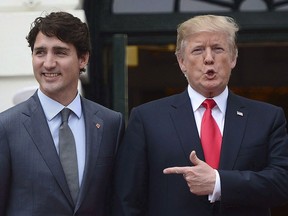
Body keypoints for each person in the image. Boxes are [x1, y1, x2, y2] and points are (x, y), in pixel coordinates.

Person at [112, 14, 288, 216]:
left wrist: (218, 182)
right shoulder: (147, 119)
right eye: (198, 50)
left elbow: (282, 182)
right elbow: (127, 200)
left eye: (218, 48)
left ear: (233, 57)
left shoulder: (267, 118)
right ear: (181, 61)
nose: (209, 58)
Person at [0, 11, 125, 215]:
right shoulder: (6, 127)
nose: (48, 63)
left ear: (83, 59)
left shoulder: (111, 123)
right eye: (40, 52)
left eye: (60, 52)